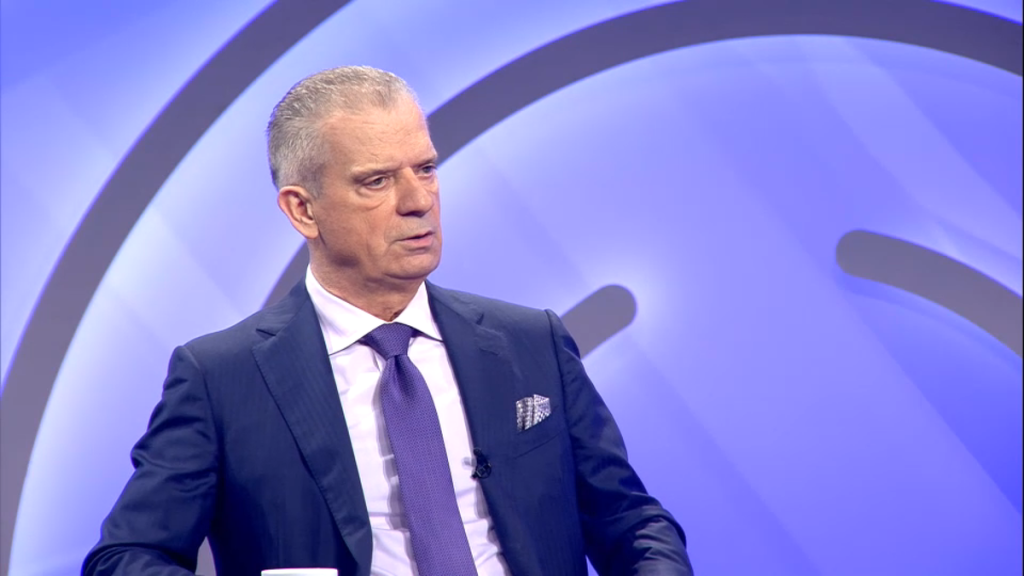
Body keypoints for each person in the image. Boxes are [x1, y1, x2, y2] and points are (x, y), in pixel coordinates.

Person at [83, 66, 692, 576]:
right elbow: (126, 557)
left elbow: (629, 520)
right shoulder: (222, 378)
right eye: (376, 181)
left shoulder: (532, 342)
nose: (418, 200)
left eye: (425, 168)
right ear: (303, 210)